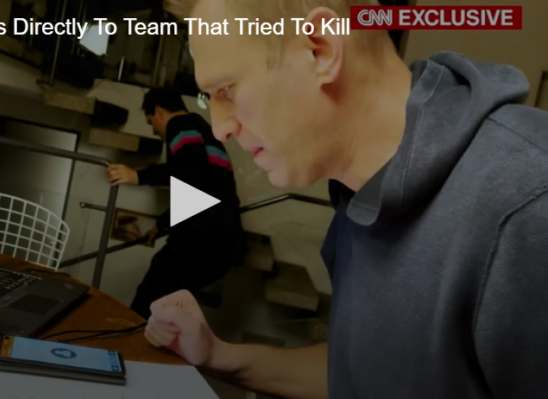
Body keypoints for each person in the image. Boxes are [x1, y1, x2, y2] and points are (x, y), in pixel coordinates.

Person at [143, 1, 548, 399]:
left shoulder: (529, 199)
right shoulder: (358, 198)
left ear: (320, 49)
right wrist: (218, 355)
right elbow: (365, 372)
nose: (220, 128)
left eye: (226, 90)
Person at [106, 87, 243, 320]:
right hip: (221, 242)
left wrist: (137, 176)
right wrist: (162, 225)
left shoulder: (180, 125)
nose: (156, 132)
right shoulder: (202, 130)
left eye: (151, 122)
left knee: (148, 303)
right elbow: (197, 188)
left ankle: (127, 350)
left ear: (158, 111)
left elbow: (190, 175)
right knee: (164, 305)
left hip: (202, 242)